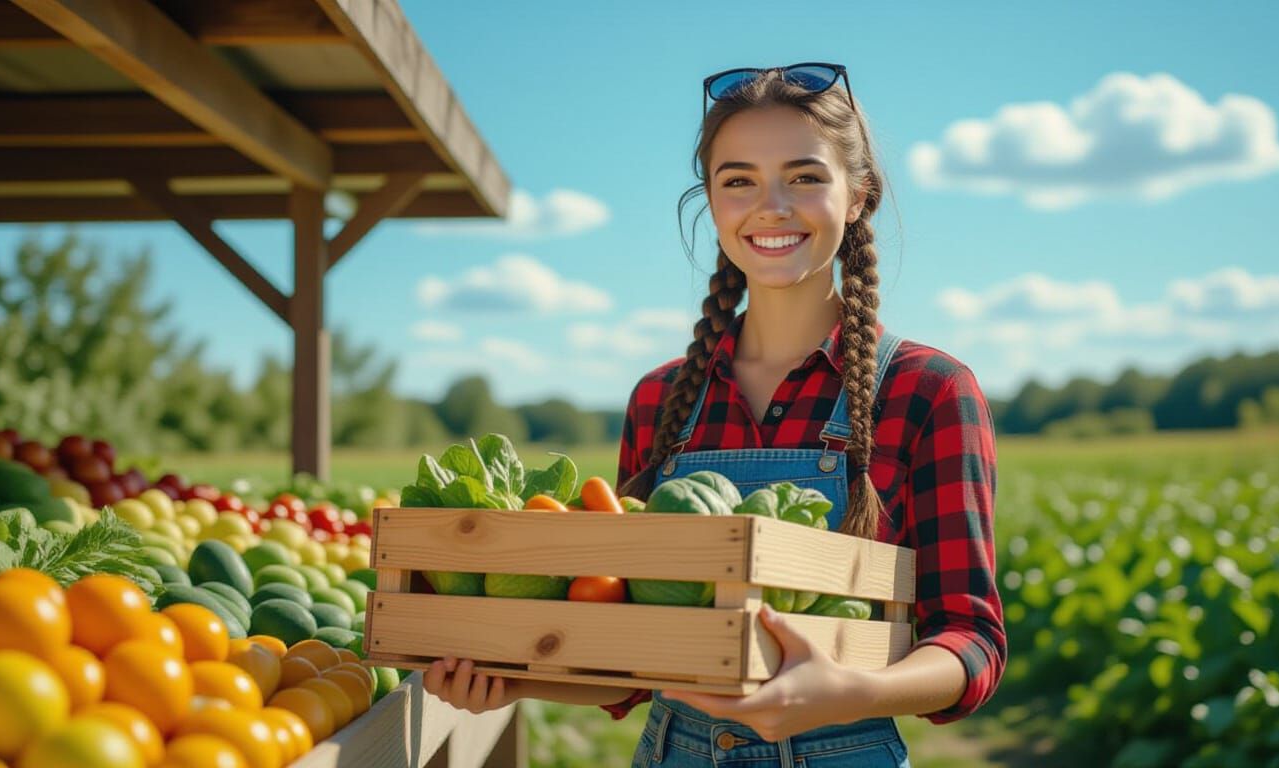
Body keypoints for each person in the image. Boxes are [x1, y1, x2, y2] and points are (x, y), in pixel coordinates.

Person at [423, 62, 1006, 767]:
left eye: (805, 176)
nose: (772, 205)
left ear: (858, 197)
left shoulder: (929, 391)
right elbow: (627, 661)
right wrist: (508, 674)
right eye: (739, 181)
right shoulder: (658, 401)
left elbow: (970, 640)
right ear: (712, 201)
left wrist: (847, 691)